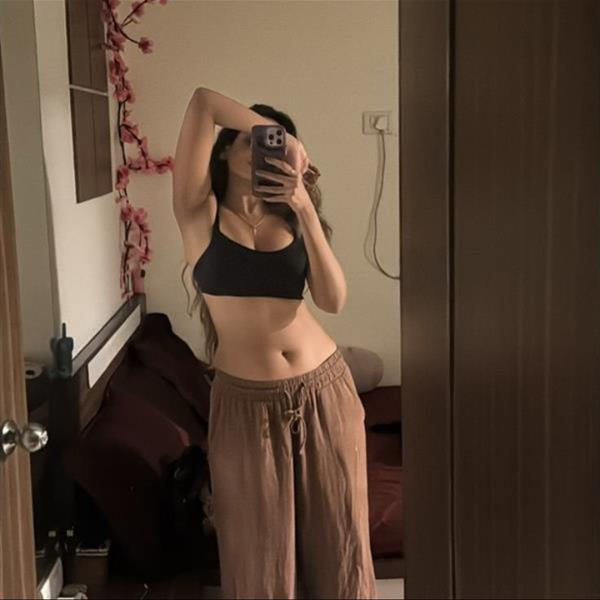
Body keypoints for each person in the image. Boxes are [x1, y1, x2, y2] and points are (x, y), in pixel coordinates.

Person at [172, 86, 377, 600]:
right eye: (255, 138)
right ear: (224, 150)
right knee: (257, 554)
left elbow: (332, 300)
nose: (267, 147)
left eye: (278, 142)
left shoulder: (292, 217)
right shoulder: (199, 214)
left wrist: (303, 206)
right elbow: (203, 102)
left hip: (324, 389)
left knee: (341, 540)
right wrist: (286, 137)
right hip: (245, 404)